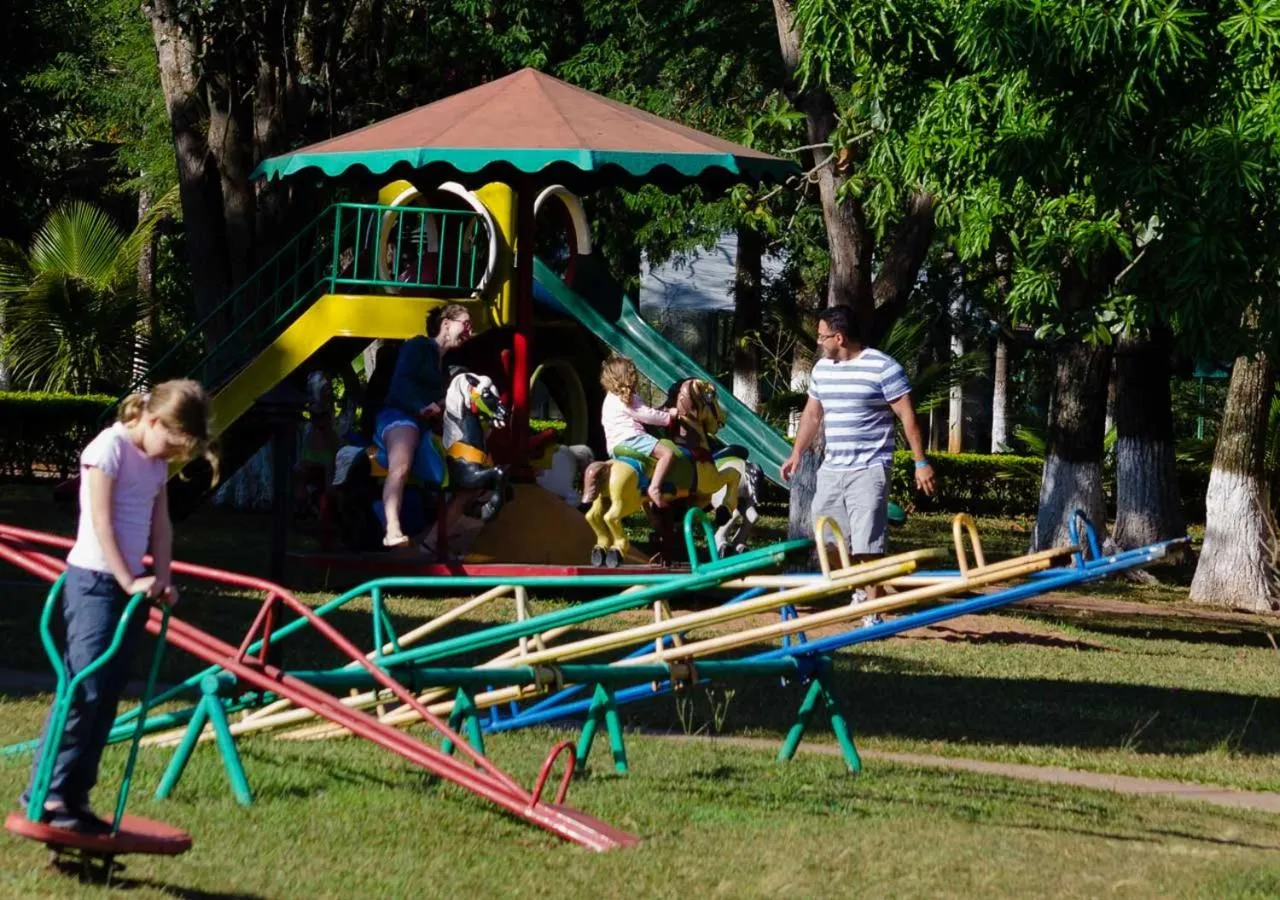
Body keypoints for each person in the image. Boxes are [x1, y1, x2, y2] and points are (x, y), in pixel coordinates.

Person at [20, 379, 216, 833]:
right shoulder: (107, 448)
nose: (170, 456)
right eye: (171, 444)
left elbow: (160, 525)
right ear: (152, 420)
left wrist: (163, 576)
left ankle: (75, 796)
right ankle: (46, 792)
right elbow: (101, 520)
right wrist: (128, 578)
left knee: (108, 696)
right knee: (82, 691)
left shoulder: (153, 462)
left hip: (132, 588)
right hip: (94, 582)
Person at [781, 307, 936, 596]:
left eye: (821, 336)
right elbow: (812, 414)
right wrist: (797, 452)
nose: (818, 342)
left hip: (869, 468)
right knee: (827, 539)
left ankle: (870, 612)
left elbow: (907, 416)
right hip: (831, 469)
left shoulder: (883, 367)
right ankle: (861, 590)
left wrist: (920, 461)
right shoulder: (822, 370)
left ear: (838, 337)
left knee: (867, 542)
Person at [375, 303, 472, 548]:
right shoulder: (418, 346)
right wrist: (420, 406)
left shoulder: (445, 366)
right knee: (402, 464)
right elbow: (401, 383)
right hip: (400, 415)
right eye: (466, 324)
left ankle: (430, 541)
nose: (469, 331)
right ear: (446, 324)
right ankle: (392, 529)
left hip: (423, 424)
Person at [595, 355, 678, 508]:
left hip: (613, 446)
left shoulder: (609, 399)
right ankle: (654, 488)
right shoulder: (627, 398)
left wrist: (660, 411)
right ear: (628, 377)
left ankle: (648, 503)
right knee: (667, 454)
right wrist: (669, 416)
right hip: (632, 438)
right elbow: (647, 416)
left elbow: (643, 412)